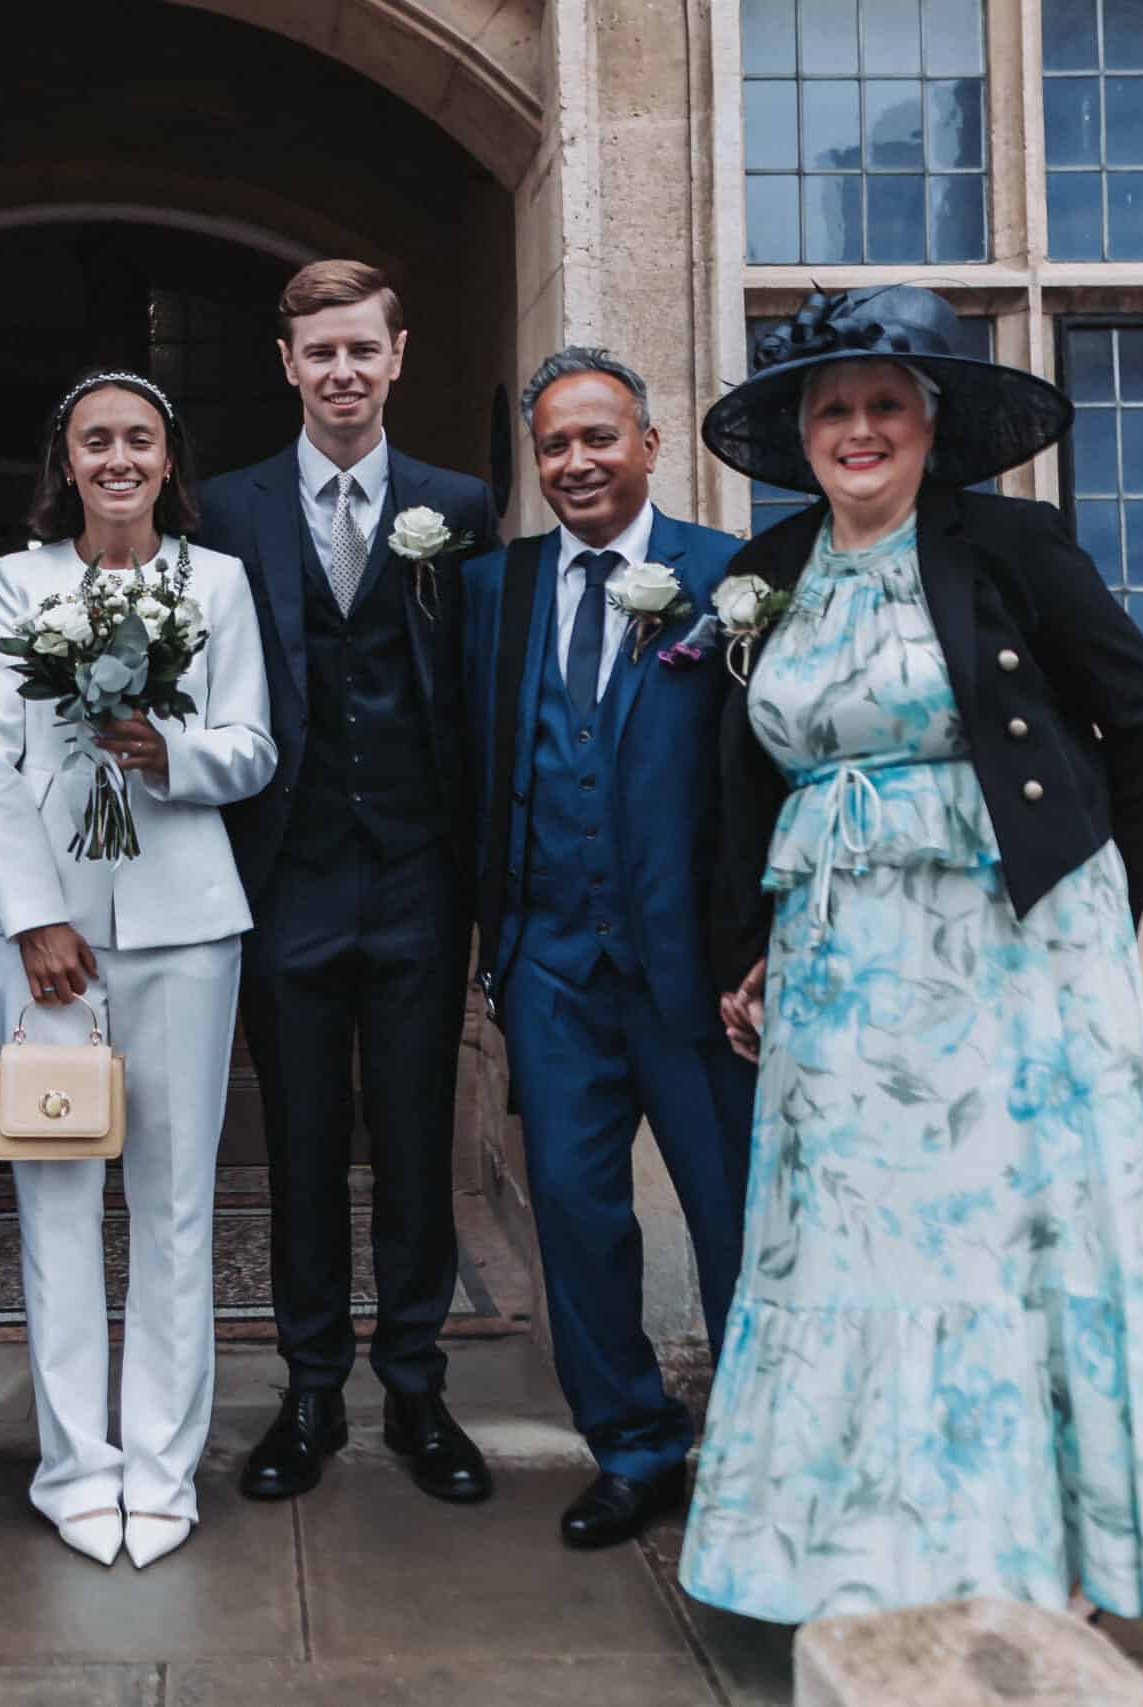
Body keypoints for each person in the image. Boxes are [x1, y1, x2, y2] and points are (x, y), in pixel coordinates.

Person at [679, 286, 1143, 1626]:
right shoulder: (762, 577)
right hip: (836, 964)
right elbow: (739, 780)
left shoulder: (1012, 545)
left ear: (931, 423)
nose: (858, 430)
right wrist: (746, 947)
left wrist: (1096, 906)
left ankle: (1024, 1554)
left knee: (999, 1242)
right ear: (800, 434)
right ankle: (843, 1554)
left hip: (1007, 963)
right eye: (833, 410)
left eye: (885, 406)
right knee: (842, 1247)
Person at [195, 260, 500, 1506]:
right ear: (287, 364)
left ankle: (418, 1389)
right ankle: (311, 1387)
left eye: (361, 350)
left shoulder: (458, 503)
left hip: (421, 878)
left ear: (397, 356)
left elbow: (479, 686)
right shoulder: (225, 506)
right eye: (318, 352)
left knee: (417, 1138)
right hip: (288, 875)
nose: (340, 372)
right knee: (305, 1144)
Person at [0, 371, 278, 1570]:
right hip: (41, 942)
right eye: (95, 440)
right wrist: (38, 916)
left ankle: (158, 1463)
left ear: (167, 457)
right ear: (67, 459)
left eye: (137, 439)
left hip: (187, 923)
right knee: (54, 1198)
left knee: (175, 1200)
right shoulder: (18, 582)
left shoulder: (220, 583)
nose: (117, 459)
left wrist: (168, 751)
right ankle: (72, 1467)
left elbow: (251, 747)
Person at [456, 348, 759, 1549]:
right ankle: (632, 1445)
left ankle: (752, 1453)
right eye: (553, 445)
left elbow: (763, 772)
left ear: (647, 444)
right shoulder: (497, 591)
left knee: (732, 1219)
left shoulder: (731, 578)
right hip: (551, 970)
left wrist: (759, 944)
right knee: (576, 1221)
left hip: (694, 975)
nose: (575, 462)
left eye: (597, 438)